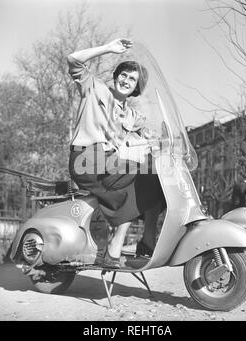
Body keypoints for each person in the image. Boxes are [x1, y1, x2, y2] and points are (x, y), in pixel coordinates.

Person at [67, 38, 165, 269]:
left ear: (137, 87)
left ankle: (123, 249)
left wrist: (160, 143)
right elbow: (73, 60)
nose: (126, 80)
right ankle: (145, 242)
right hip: (86, 158)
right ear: (116, 75)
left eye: (132, 79)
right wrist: (108, 48)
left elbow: (146, 135)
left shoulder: (131, 115)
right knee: (146, 176)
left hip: (107, 164)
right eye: (124, 74)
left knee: (156, 181)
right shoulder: (95, 88)